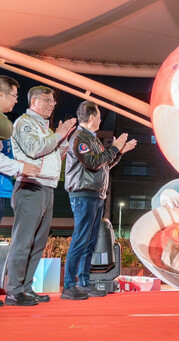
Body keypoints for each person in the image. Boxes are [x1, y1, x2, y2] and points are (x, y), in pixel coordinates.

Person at [5, 86, 76, 306]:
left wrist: (62, 142)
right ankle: (14, 291)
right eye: (47, 100)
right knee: (23, 240)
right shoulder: (24, 122)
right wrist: (58, 135)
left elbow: (52, 156)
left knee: (37, 242)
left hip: (46, 187)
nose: (52, 104)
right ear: (34, 101)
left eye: (53, 101)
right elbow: (35, 149)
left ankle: (26, 288)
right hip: (30, 186)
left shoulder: (45, 127)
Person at [62, 101, 136, 300]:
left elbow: (103, 164)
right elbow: (93, 162)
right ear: (92, 117)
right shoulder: (80, 138)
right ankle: (69, 285)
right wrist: (115, 148)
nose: (101, 120)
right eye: (99, 116)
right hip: (83, 193)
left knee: (90, 241)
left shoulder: (91, 139)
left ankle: (84, 282)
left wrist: (120, 151)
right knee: (81, 238)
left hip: (95, 194)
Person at [0, 76, 41, 308]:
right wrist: (20, 167)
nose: (16, 100)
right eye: (14, 95)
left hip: (4, 188)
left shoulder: (5, 123)